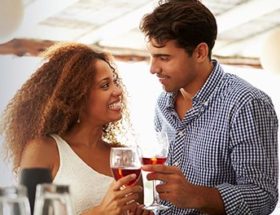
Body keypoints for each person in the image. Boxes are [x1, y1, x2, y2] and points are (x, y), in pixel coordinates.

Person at [139, 0, 278, 214]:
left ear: (200, 52)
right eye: (151, 56)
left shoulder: (246, 103)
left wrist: (197, 195)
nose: (152, 68)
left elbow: (262, 197)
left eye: (164, 57)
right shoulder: (162, 103)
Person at [0, 42, 148, 215]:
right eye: (105, 85)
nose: (118, 91)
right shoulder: (43, 150)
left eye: (115, 82)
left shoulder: (124, 157)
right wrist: (98, 212)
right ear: (78, 96)